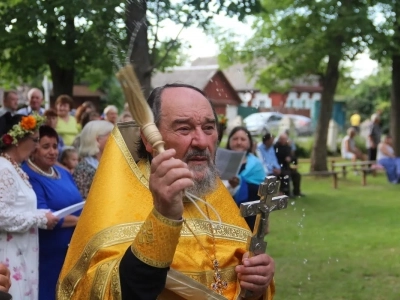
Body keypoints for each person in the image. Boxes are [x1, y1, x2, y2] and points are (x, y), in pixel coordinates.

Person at [58, 84, 275, 300]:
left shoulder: (214, 193)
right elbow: (99, 291)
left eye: (208, 128)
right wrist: (163, 216)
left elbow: (234, 280)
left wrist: (257, 284)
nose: (201, 141)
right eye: (184, 129)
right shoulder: (120, 199)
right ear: (149, 139)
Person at [0, 112, 58, 300]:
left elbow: (19, 208)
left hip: (23, 250)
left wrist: (43, 213)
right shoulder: (3, 168)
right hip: (10, 254)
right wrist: (41, 218)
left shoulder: (14, 167)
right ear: (17, 140)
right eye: (34, 140)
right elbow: (1, 215)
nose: (35, 146)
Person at [21, 125, 83, 300]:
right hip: (48, 252)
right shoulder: (28, 175)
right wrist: (81, 221)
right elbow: (43, 213)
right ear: (33, 149)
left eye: (55, 146)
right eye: (46, 146)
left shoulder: (63, 172)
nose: (53, 152)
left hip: (71, 249)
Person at [225, 126, 266, 230]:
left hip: (250, 214)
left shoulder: (256, 164)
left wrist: (240, 184)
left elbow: (264, 193)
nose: (239, 142)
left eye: (243, 139)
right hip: (224, 212)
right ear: (229, 141)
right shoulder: (220, 161)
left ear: (249, 143)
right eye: (235, 139)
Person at [73, 120, 113, 198]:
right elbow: (85, 202)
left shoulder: (111, 163)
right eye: (112, 136)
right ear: (98, 140)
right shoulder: (83, 170)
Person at [274, 133, 304, 198]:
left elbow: (293, 157)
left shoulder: (288, 147)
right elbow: (278, 156)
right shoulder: (276, 147)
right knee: (286, 174)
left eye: (285, 139)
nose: (284, 140)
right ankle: (286, 192)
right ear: (280, 139)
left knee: (297, 175)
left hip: (287, 166)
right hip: (279, 167)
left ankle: (296, 192)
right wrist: (285, 158)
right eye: (282, 139)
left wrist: (290, 159)